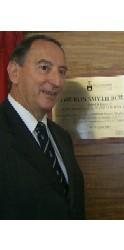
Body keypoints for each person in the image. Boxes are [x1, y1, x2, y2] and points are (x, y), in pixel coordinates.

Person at [0, 34, 85, 219]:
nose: (56, 81)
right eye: (44, 68)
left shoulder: (62, 137)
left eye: (62, 71)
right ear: (14, 72)